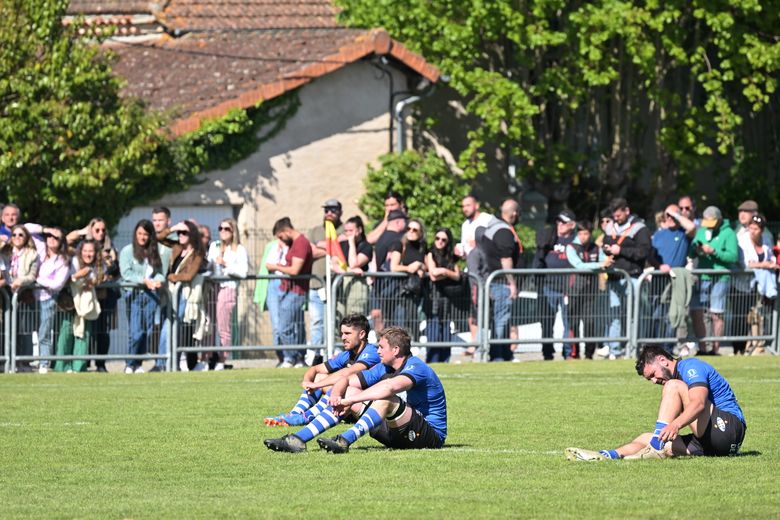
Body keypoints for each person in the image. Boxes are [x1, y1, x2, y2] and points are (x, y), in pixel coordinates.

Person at [264, 326, 447, 454]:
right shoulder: (384, 367)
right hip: (395, 432)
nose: (378, 351)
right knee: (349, 391)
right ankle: (297, 440)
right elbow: (346, 379)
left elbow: (388, 387)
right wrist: (337, 395)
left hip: (428, 436)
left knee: (386, 399)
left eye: (381, 347)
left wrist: (350, 401)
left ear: (396, 350)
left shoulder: (417, 367)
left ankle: (343, 440)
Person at [565, 345, 746, 461]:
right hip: (713, 445)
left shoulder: (690, 366)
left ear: (662, 360)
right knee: (647, 438)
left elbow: (699, 403)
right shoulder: (679, 377)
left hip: (728, 429)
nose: (653, 381)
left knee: (673, 386)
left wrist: (675, 424)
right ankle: (607, 455)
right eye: (649, 379)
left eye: (652, 375)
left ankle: (656, 448)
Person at [263, 314, 381, 427]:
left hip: (365, 408)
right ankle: (294, 414)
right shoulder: (346, 355)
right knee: (320, 376)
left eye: (347, 333)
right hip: (346, 406)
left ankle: (307, 416)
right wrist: (307, 382)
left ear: (361, 334)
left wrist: (316, 385)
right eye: (342, 334)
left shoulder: (372, 352)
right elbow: (315, 369)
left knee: (341, 383)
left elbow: (348, 373)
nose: (343, 338)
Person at [598, 198, 652, 359]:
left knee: (634, 315)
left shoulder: (640, 228)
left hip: (633, 277)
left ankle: (635, 349)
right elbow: (606, 244)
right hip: (614, 277)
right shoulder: (610, 227)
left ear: (627, 211)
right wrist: (607, 249)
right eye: (614, 216)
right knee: (614, 314)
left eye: (619, 215)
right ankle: (614, 350)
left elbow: (643, 252)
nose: (616, 218)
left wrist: (620, 250)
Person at [157, 221, 208, 371]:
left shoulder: (198, 253)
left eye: (184, 232)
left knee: (171, 328)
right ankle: (167, 364)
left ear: (192, 234)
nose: (180, 235)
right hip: (171, 294)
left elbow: (189, 275)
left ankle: (167, 364)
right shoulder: (177, 247)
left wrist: (172, 277)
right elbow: (158, 238)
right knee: (171, 328)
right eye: (179, 233)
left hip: (184, 294)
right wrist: (173, 228)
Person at [688, 206, 738, 356]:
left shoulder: (729, 233)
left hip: (720, 278)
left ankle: (715, 349)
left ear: (719, 220)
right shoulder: (701, 230)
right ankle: (703, 348)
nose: (709, 226)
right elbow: (691, 252)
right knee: (699, 313)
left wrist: (714, 252)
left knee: (716, 314)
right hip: (702, 277)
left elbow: (733, 257)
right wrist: (696, 249)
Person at [266, 217, 313, 367]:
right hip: (288, 290)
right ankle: (297, 357)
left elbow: (294, 270)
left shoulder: (301, 243)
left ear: (286, 231)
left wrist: (275, 266)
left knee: (284, 327)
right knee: (293, 326)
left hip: (296, 291)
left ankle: (291, 357)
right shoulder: (294, 243)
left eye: (280, 236)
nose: (280, 240)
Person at [475, 209, 521, 361]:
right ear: (514, 213)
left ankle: (504, 354)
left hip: (494, 281)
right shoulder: (503, 231)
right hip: (501, 282)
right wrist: (512, 283)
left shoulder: (492, 229)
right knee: (501, 320)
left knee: (500, 320)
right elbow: (506, 259)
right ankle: (497, 355)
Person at [119, 219, 164, 374]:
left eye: (145, 234)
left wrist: (158, 281)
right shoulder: (127, 251)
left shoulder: (154, 251)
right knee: (136, 332)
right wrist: (143, 281)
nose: (142, 237)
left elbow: (159, 273)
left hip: (151, 296)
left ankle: (138, 363)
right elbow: (126, 273)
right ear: (135, 234)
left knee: (147, 332)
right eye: (139, 233)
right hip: (135, 295)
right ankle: (130, 363)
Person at [54, 240, 104, 373]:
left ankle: (79, 367)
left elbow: (101, 277)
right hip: (70, 302)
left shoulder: (99, 265)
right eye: (85, 251)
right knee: (66, 333)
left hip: (86, 305)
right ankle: (62, 366)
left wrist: (93, 281)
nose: (88, 254)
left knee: (83, 334)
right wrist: (77, 276)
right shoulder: (74, 262)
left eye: (91, 251)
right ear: (80, 252)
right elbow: (65, 279)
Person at [533, 210, 577, 360]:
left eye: (564, 222)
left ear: (572, 225)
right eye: (558, 221)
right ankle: (547, 352)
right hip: (548, 286)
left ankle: (568, 352)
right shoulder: (549, 237)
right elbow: (539, 258)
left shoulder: (576, 240)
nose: (560, 225)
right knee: (546, 321)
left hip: (568, 289)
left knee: (568, 322)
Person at [206, 218, 249, 370]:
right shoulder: (214, 246)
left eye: (226, 229)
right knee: (209, 325)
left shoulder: (239, 249)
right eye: (220, 228)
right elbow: (208, 265)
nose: (223, 231)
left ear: (233, 231)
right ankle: (208, 358)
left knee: (223, 326)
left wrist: (226, 264)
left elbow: (243, 272)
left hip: (228, 288)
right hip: (212, 288)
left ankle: (222, 359)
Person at [733, 214, 777, 355]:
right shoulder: (743, 240)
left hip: (760, 285)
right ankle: (741, 348)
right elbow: (746, 263)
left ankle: (758, 344)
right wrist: (764, 265)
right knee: (743, 317)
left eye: (756, 229)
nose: (752, 231)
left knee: (758, 315)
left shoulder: (766, 240)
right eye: (751, 228)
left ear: (762, 230)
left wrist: (766, 264)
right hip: (743, 285)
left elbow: (771, 258)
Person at [307, 199, 343, 364]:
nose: (329, 213)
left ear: (340, 212)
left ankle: (335, 354)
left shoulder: (344, 229)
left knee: (336, 321)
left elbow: (342, 252)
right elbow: (311, 252)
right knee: (317, 322)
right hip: (316, 285)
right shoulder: (315, 231)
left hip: (337, 286)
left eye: (333, 210)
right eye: (326, 210)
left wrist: (322, 246)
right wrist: (333, 245)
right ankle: (316, 355)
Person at [565, 220, 608, 359]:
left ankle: (589, 355)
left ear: (590, 234)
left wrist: (605, 263)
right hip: (574, 291)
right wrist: (599, 265)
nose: (583, 236)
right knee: (574, 323)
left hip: (591, 292)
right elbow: (579, 265)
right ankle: (574, 353)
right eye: (581, 233)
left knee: (589, 323)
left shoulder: (596, 248)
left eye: (586, 233)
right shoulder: (571, 247)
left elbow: (605, 261)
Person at [425, 227, 467, 363]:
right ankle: (433, 359)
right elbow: (433, 275)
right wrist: (448, 273)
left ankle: (445, 359)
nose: (440, 241)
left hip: (447, 297)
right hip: (433, 296)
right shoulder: (430, 254)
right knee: (434, 327)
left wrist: (443, 271)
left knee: (446, 328)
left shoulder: (450, 256)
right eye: (437, 238)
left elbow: (457, 276)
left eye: (443, 239)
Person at [1, 224, 39, 371]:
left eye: (21, 235)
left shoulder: (32, 254)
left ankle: (24, 362)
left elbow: (32, 276)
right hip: (6, 294)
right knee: (6, 329)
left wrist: (20, 281)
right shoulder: (6, 251)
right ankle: (7, 361)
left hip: (23, 295)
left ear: (26, 237)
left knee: (24, 330)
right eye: (14, 235)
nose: (17, 237)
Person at [455, 194, 493, 346]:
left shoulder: (487, 219)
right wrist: (460, 250)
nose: (465, 209)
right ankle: (475, 343)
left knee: (485, 309)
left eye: (468, 205)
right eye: (463, 206)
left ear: (476, 205)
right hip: (470, 272)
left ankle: (485, 344)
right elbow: (466, 248)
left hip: (485, 272)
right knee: (472, 310)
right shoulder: (465, 225)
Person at [33, 227, 70, 374]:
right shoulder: (40, 250)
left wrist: (37, 280)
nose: (51, 239)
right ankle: (22, 361)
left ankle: (44, 362)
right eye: (49, 236)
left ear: (62, 242)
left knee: (44, 332)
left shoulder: (63, 261)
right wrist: (45, 229)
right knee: (25, 330)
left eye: (56, 237)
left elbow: (57, 284)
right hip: (31, 297)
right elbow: (26, 228)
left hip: (48, 299)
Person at [368, 209, 406, 333]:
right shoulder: (399, 239)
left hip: (379, 284)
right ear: (398, 222)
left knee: (381, 319)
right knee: (395, 325)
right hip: (394, 284)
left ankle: (381, 341)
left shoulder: (380, 238)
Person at [389, 218, 427, 337]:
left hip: (415, 290)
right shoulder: (400, 244)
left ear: (420, 233)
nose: (410, 231)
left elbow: (426, 265)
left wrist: (420, 266)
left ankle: (414, 344)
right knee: (399, 324)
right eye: (408, 228)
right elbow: (393, 267)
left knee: (414, 321)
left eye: (414, 230)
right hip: (400, 290)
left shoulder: (422, 246)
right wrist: (409, 268)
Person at [331, 216, 373, 319]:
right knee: (339, 317)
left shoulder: (366, 246)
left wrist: (351, 244)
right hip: (341, 283)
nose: (348, 233)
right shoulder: (341, 245)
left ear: (359, 230)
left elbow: (354, 263)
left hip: (357, 284)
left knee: (354, 318)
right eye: (346, 231)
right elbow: (333, 265)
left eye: (351, 230)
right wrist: (349, 271)